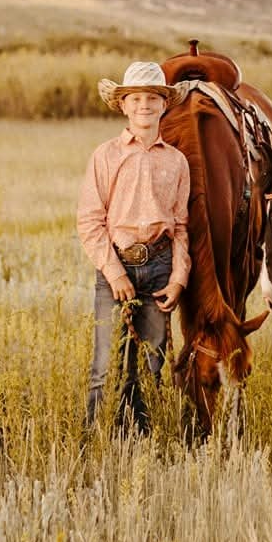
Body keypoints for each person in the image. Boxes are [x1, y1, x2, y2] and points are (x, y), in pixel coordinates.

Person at [77, 61, 189, 432]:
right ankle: (94, 439)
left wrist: (178, 278)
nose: (144, 105)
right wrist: (113, 272)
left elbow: (181, 227)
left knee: (150, 365)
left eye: (152, 98)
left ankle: (139, 439)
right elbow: (91, 221)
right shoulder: (105, 156)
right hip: (117, 264)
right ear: (123, 105)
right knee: (105, 365)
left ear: (163, 105)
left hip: (159, 266)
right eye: (136, 98)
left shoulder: (176, 162)